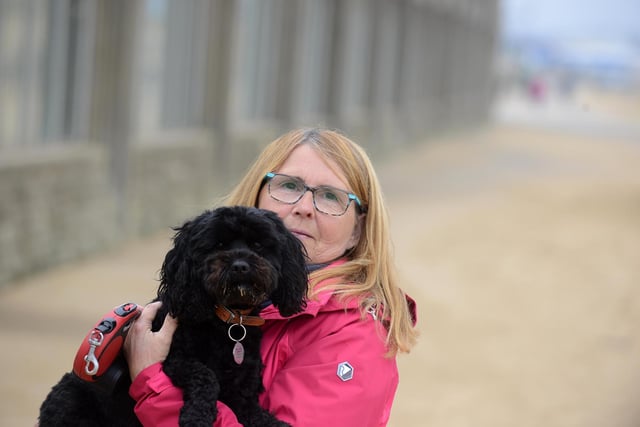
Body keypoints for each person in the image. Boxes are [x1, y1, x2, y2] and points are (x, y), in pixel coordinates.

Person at [124, 127, 418, 426]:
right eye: (289, 186)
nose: (304, 208)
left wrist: (152, 382)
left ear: (357, 229)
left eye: (331, 196)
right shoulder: (216, 297)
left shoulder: (353, 335)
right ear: (257, 195)